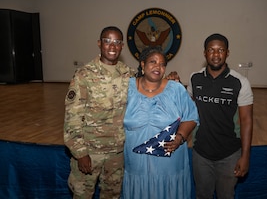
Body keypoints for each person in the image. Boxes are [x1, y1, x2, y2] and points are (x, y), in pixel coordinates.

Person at [64, 26, 181, 199]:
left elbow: (150, 82)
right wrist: (80, 153)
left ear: (122, 46)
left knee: (112, 196)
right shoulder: (84, 75)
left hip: (117, 154)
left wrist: (168, 80)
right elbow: (72, 118)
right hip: (90, 152)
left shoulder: (128, 74)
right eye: (107, 41)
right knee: (82, 196)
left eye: (117, 42)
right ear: (99, 43)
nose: (112, 46)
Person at [122, 46, 199, 199]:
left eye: (162, 64)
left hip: (169, 165)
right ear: (142, 65)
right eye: (153, 62)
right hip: (136, 165)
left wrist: (180, 137)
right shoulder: (126, 87)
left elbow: (191, 117)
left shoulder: (176, 89)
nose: (158, 66)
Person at [187, 33, 253, 199]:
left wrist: (245, 156)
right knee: (202, 195)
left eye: (220, 50)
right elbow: (187, 108)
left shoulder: (240, 82)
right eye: (211, 50)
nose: (216, 55)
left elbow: (246, 121)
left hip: (229, 154)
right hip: (201, 153)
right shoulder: (194, 79)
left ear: (227, 53)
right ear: (205, 53)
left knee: (226, 196)